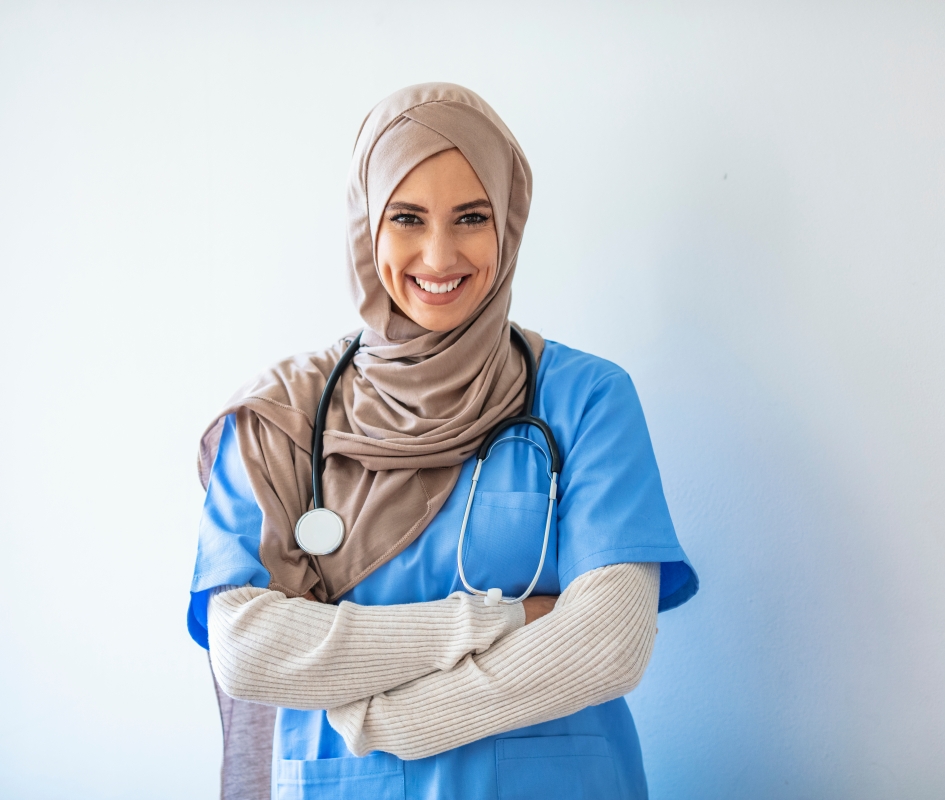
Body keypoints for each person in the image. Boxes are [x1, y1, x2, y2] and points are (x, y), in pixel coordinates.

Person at [186, 83, 698, 800]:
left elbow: (606, 644)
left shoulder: (585, 399)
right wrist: (505, 617)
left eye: (470, 216)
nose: (439, 253)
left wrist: (399, 720)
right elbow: (247, 648)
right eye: (407, 217)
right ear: (368, 226)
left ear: (508, 223)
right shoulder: (284, 414)